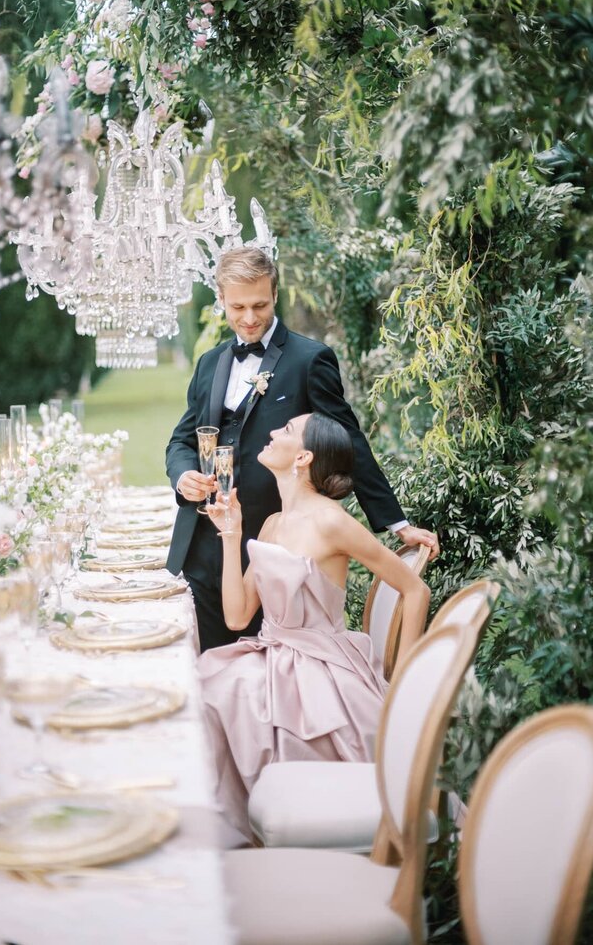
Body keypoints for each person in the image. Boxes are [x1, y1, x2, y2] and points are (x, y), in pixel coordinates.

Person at [165, 245, 439, 652]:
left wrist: (396, 524)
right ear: (221, 299)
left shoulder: (310, 360)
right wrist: (183, 473)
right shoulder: (210, 364)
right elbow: (182, 440)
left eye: (259, 305)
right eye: (237, 307)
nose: (249, 318)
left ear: (275, 294)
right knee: (205, 668)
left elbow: (349, 440)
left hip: (278, 550)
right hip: (204, 547)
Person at [196, 412, 431, 840]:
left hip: (320, 670)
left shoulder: (332, 520)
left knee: (222, 694)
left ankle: (252, 833)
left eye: (285, 431)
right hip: (273, 654)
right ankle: (226, 838)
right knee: (206, 685)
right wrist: (232, 534)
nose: (271, 432)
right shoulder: (271, 524)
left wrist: (405, 683)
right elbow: (236, 617)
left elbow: (415, 590)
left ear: (303, 457)